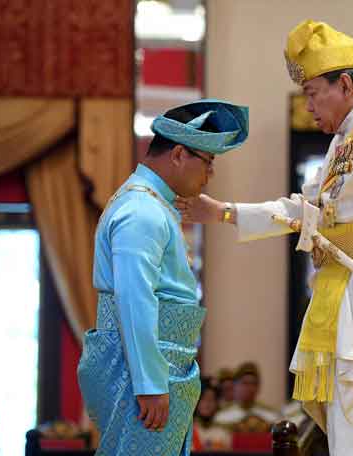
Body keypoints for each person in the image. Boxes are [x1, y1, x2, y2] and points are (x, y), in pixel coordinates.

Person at [176, 20, 353, 455]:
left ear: (345, 84)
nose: (308, 106)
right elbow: (305, 210)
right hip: (339, 292)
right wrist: (226, 213)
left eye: (312, 93)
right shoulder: (345, 139)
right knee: (343, 423)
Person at [77, 99, 249, 455]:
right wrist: (150, 382)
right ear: (178, 154)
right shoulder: (141, 211)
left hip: (157, 362)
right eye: (208, 163)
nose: (209, 176)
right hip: (141, 369)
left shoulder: (151, 204)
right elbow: (134, 298)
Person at [214, 362, 280, 432]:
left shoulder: (271, 415)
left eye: (253, 383)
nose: (250, 388)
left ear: (258, 387)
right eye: (245, 383)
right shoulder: (221, 417)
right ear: (235, 386)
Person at [192, 378, 232, 451]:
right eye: (204, 399)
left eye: (211, 399)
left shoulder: (223, 432)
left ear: (217, 404)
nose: (207, 404)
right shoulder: (188, 431)